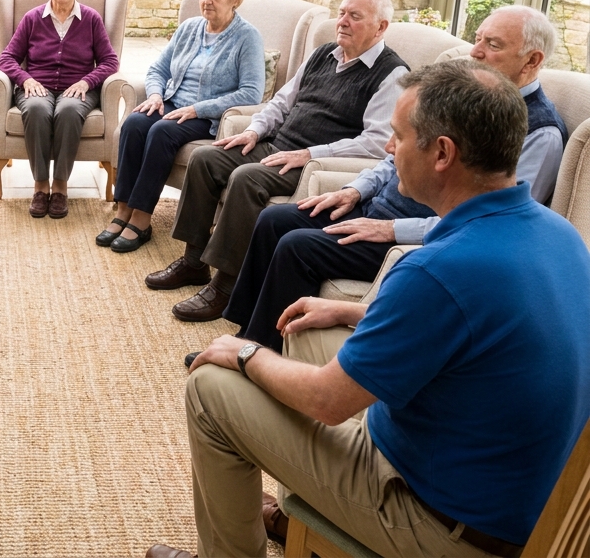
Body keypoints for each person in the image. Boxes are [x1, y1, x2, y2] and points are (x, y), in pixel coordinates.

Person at [149, 62, 590, 558]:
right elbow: (487, 331)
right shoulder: (562, 237)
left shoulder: (438, 270)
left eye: (399, 137)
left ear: (442, 153)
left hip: (439, 524)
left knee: (211, 387)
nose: (387, 147)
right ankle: (303, 514)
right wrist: (351, 314)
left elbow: (326, 403)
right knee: (305, 328)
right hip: (509, 500)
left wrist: (246, 353)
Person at [215, 5, 569, 354]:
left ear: (532, 60)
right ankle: (247, 327)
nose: (475, 52)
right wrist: (356, 189)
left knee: (299, 247)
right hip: (375, 207)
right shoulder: (471, 99)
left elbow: (497, 223)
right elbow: (397, 152)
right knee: (275, 219)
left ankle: (261, 350)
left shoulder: (541, 132)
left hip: (414, 234)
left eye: (493, 45)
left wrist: (393, 229)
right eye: (477, 39)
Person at [149, 0, 407, 324]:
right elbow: (282, 102)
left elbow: (374, 142)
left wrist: (309, 153)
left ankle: (225, 285)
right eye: (341, 12)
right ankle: (194, 262)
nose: (341, 22)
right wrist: (254, 130)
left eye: (354, 16)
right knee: (206, 158)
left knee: (245, 178)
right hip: (275, 144)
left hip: (314, 163)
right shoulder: (323, 54)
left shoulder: (392, 74)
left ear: (381, 27)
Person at [97, 0, 263, 251]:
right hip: (171, 103)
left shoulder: (247, 38)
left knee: (162, 131)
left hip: (207, 115)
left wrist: (198, 109)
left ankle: (142, 218)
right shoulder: (190, 28)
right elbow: (157, 70)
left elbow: (251, 93)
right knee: (135, 124)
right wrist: (155, 95)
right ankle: (122, 209)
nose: (207, 1)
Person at [0, 0, 119, 219]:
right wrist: (26, 79)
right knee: (38, 109)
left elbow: (110, 61)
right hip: (36, 87)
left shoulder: (90, 19)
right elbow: (6, 58)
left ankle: (61, 186)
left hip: (77, 89)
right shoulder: (32, 18)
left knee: (67, 111)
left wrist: (86, 82)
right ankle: (41, 185)